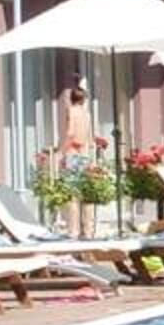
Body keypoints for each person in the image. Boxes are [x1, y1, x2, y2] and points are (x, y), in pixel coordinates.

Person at [55, 79, 100, 238]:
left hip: (73, 152)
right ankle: (88, 230)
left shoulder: (71, 111)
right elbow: (88, 136)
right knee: (86, 193)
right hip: (85, 153)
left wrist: (61, 152)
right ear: (83, 99)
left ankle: (73, 230)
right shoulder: (87, 114)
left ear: (71, 99)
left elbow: (70, 133)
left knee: (73, 194)